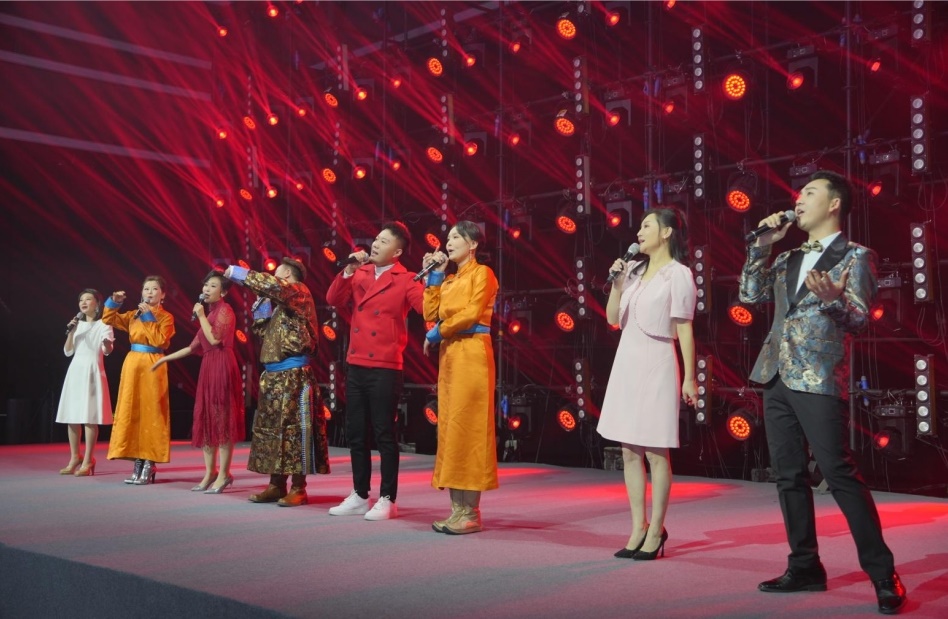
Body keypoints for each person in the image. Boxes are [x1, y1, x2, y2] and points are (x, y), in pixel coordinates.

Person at [739, 171, 906, 614]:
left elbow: (859, 319)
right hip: (775, 374)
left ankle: (882, 573)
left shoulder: (856, 256)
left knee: (838, 472)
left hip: (819, 376)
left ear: (834, 204)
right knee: (788, 476)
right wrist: (761, 246)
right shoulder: (787, 255)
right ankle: (805, 566)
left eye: (810, 193)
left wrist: (833, 299)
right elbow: (750, 296)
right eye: (799, 193)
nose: (799, 200)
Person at [597, 208, 697, 561]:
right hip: (627, 361)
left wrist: (690, 377)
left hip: (657, 361)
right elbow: (612, 319)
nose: (638, 232)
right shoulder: (634, 271)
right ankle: (637, 526)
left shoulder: (678, 274)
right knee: (629, 451)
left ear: (666, 232)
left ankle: (656, 529)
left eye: (646, 226)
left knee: (656, 451)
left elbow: (684, 327)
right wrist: (617, 282)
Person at [326, 222, 424, 520]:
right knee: (356, 433)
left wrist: (433, 280)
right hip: (356, 362)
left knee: (384, 434)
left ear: (397, 251)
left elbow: (425, 307)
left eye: (384, 241)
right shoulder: (361, 272)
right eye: (376, 239)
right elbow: (333, 300)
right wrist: (348, 270)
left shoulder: (406, 279)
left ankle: (387, 498)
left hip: (385, 365)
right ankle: (359, 494)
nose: (376, 244)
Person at [224, 257, 330, 506]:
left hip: (293, 375)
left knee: (295, 431)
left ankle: (299, 488)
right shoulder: (283, 305)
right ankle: (276, 484)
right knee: (273, 431)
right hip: (273, 376)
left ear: (289, 276)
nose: (273, 278)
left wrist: (239, 273)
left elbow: (273, 286)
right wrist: (262, 312)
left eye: (277, 274)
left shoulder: (299, 292)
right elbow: (264, 334)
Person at [421, 221, 499, 535]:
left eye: (456, 237)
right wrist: (435, 276)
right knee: (452, 428)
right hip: (451, 355)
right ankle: (457, 510)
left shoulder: (483, 274)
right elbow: (430, 313)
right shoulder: (450, 279)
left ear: (473, 244)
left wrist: (437, 333)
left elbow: (470, 313)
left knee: (471, 429)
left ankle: (471, 512)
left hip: (473, 353)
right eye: (448, 237)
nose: (448, 242)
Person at [151, 271, 245, 493]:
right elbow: (192, 347)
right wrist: (163, 359)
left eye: (212, 286)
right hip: (208, 367)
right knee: (207, 418)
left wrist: (201, 316)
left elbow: (214, 339)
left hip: (222, 365)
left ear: (223, 292)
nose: (206, 289)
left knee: (222, 420)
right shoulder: (209, 314)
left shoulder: (225, 311)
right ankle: (210, 472)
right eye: (206, 285)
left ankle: (224, 474)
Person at [103, 276, 176, 485]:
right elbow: (108, 319)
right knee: (131, 410)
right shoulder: (133, 314)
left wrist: (148, 317)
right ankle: (137, 460)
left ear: (163, 294)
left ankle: (150, 461)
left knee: (151, 412)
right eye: (146, 289)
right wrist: (114, 302)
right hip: (133, 364)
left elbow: (160, 340)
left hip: (153, 364)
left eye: (154, 289)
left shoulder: (166, 317)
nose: (149, 293)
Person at [56, 289, 114, 477]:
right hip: (75, 371)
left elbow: (107, 350)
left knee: (90, 417)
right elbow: (67, 352)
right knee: (72, 417)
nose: (83, 302)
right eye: (81, 299)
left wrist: (107, 343)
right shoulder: (77, 324)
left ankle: (88, 459)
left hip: (92, 371)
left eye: (88, 299)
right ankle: (75, 457)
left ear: (97, 304)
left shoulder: (104, 324)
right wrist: (71, 332)